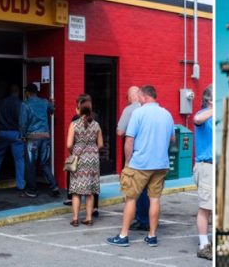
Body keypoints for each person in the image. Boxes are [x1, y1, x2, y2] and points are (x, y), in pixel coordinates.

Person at [106, 85, 175, 247]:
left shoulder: (138, 113)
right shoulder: (167, 114)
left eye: (140, 97)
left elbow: (129, 140)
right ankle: (152, 236)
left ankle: (123, 235)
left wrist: (127, 162)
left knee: (131, 199)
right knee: (155, 199)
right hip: (160, 164)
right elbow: (172, 140)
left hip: (140, 164)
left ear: (143, 97)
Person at [66, 94, 103, 226]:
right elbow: (101, 144)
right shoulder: (96, 125)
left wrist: (74, 152)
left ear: (78, 110)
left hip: (79, 158)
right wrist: (91, 150)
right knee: (90, 191)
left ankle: (75, 218)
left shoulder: (74, 125)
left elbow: (69, 144)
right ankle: (88, 218)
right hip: (93, 159)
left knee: (76, 190)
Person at [117, 86, 150, 231]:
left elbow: (120, 132)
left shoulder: (129, 110)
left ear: (132, 96)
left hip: (135, 154)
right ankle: (149, 218)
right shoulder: (153, 111)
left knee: (134, 189)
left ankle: (141, 219)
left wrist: (127, 161)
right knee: (150, 191)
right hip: (151, 155)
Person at [20, 83, 58, 198]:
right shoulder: (45, 102)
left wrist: (22, 136)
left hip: (32, 137)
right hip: (45, 136)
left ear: (27, 92)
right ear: (36, 92)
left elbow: (23, 122)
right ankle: (54, 186)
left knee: (31, 164)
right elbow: (52, 110)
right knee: (44, 163)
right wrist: (52, 103)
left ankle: (32, 190)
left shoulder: (25, 104)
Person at [0, 84, 26, 191]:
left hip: (2, 133)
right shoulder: (20, 104)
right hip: (15, 134)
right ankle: (20, 184)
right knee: (19, 159)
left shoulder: (1, 103)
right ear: (18, 92)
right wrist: (23, 134)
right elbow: (22, 121)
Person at [193, 85, 213, 260]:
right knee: (205, 207)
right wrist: (213, 109)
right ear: (209, 100)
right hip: (206, 166)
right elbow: (197, 119)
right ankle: (204, 244)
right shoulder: (203, 115)